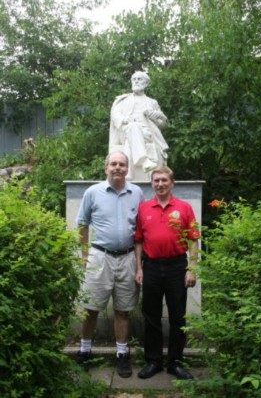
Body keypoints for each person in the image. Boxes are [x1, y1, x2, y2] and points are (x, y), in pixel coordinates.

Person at [75, 151, 144, 377]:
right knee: (91, 309)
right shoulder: (93, 192)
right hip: (99, 257)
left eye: (121, 164)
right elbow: (82, 224)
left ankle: (122, 355)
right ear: (106, 168)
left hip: (127, 258)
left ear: (127, 169)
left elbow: (141, 230)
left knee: (123, 310)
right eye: (113, 164)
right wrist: (84, 256)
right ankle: (85, 351)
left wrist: (140, 263)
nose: (117, 167)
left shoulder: (137, 193)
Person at [134, 166, 200, 380]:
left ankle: (175, 363)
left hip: (176, 267)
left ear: (172, 183)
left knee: (177, 316)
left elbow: (193, 239)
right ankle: (153, 361)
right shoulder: (144, 208)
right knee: (151, 316)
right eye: (156, 181)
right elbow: (138, 241)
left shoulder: (184, 207)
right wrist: (139, 268)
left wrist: (192, 268)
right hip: (151, 266)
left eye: (164, 180)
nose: (160, 184)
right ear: (152, 184)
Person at [109, 71, 169, 180]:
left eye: (139, 79)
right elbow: (115, 115)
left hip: (147, 133)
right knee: (134, 127)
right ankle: (144, 160)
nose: (136, 81)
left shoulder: (152, 102)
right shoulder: (123, 100)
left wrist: (157, 115)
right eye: (134, 79)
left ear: (146, 83)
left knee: (133, 136)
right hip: (125, 131)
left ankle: (128, 174)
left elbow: (163, 124)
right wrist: (126, 119)